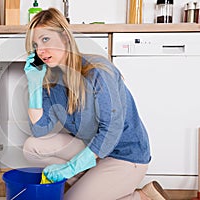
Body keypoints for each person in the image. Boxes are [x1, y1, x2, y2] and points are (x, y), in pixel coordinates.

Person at [22, 7, 169, 200]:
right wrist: (33, 84)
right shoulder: (50, 81)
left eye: (45, 39)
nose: (40, 51)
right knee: (31, 148)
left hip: (124, 155)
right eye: (35, 44)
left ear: (65, 37)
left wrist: (70, 168)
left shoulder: (98, 71)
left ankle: (141, 197)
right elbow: (40, 130)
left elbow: (111, 130)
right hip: (93, 149)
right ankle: (96, 182)